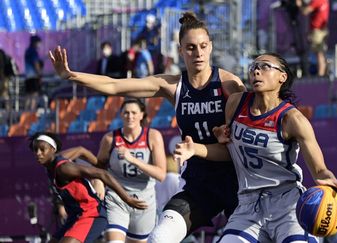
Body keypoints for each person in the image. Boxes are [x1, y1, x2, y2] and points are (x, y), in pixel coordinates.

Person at [49, 11, 245, 242]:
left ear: (211, 46)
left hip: (238, 183)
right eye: (191, 47)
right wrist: (71, 76)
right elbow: (115, 85)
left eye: (203, 46)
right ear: (180, 50)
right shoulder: (173, 86)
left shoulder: (230, 84)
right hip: (200, 185)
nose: (198, 53)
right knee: (159, 238)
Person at [174, 53, 337, 243]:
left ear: (282, 77)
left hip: (286, 205)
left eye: (265, 66)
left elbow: (319, 170)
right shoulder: (235, 103)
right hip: (247, 205)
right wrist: (196, 148)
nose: (257, 71)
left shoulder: (293, 119)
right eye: (253, 67)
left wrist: (327, 177)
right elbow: (229, 153)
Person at [28, 132, 146, 243]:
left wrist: (127, 199)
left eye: (42, 149)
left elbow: (103, 174)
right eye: (35, 150)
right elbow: (81, 150)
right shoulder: (52, 162)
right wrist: (97, 164)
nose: (38, 153)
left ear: (52, 150)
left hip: (91, 214)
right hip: (75, 216)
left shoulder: (64, 168)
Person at [94, 98, 167, 242]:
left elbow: (161, 174)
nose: (130, 116)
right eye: (126, 113)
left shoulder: (153, 137)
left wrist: (132, 159)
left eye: (134, 112)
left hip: (144, 201)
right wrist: (98, 182)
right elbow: (99, 165)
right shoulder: (110, 139)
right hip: (117, 197)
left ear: (142, 115)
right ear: (121, 115)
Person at [297, 0, 329, 76]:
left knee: (319, 53)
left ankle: (321, 74)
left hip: (317, 31)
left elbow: (305, 11)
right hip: (322, 30)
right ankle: (323, 72)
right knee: (321, 53)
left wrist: (299, 5)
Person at [24, 35, 44, 110]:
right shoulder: (33, 52)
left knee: (28, 96)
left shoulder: (27, 51)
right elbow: (36, 64)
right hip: (34, 77)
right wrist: (40, 75)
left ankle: (25, 113)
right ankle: (31, 114)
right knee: (34, 96)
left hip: (27, 77)